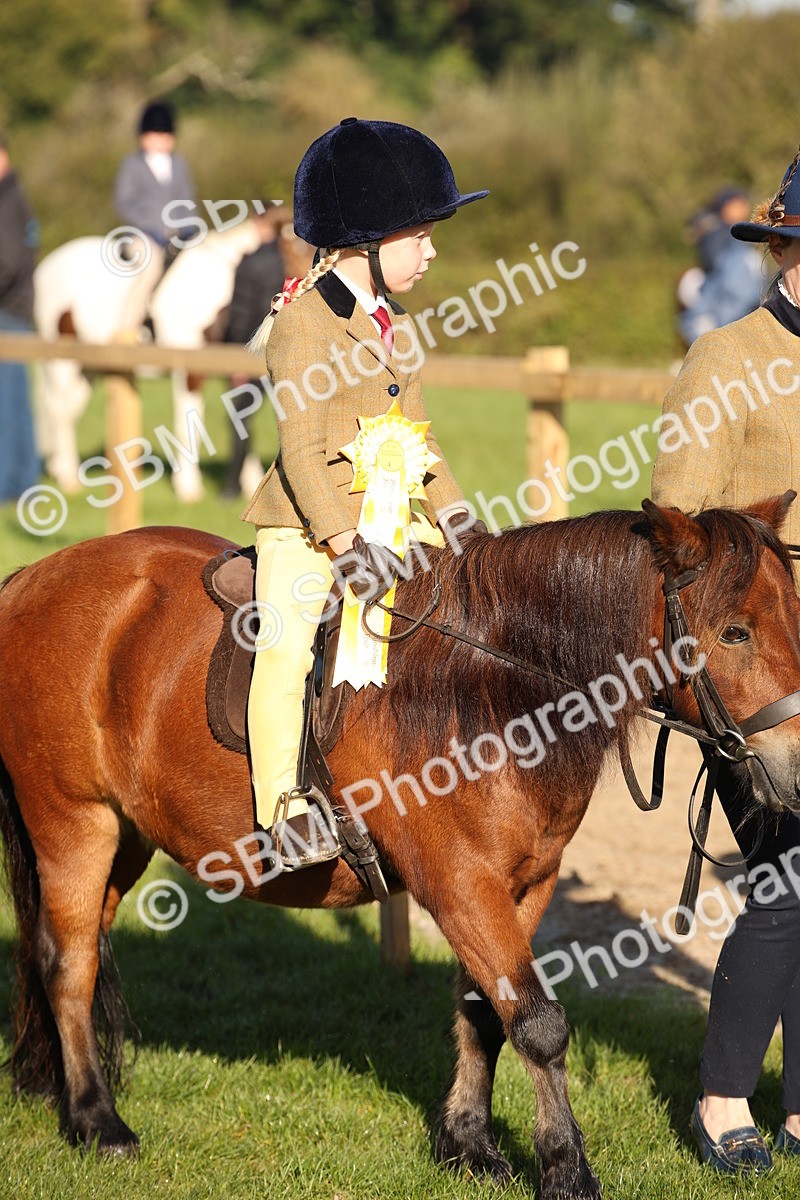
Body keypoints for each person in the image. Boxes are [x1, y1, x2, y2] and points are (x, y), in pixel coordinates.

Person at [241, 117, 488, 868]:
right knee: (284, 651)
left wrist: (462, 523)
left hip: (387, 518)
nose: (433, 250)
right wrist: (346, 545)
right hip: (307, 527)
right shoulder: (302, 327)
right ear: (369, 242)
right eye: (422, 235)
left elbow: (416, 438)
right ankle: (281, 812)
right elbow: (302, 452)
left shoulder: (399, 326)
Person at [652, 146, 800, 1174]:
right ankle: (720, 1100)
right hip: (754, 672)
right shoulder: (723, 359)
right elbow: (679, 535)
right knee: (788, 881)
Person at [221, 206, 308, 500]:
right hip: (295, 353)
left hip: (254, 353)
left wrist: (236, 356)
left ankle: (232, 484)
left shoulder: (252, 262)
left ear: (261, 225)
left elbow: (241, 314)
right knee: (294, 420)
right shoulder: (303, 259)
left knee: (240, 417)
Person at [113, 100, 196, 337]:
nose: (159, 140)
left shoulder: (179, 165)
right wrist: (152, 229)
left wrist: (189, 228)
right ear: (143, 137)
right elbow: (124, 203)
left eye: (164, 135)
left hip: (177, 237)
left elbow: (187, 200)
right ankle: (129, 328)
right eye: (154, 135)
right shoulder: (132, 165)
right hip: (142, 236)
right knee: (150, 266)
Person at [0, 130, 41, 503]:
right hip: (15, 310)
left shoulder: (7, 200)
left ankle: (12, 485)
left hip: (7, 313)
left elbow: (8, 262)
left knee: (8, 404)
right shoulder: (13, 196)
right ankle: (22, 482)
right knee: (15, 402)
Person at [677, 188, 764, 347]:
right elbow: (717, 265)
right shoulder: (718, 231)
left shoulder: (728, 230)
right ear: (727, 206)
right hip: (720, 294)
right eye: (739, 204)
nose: (745, 208)